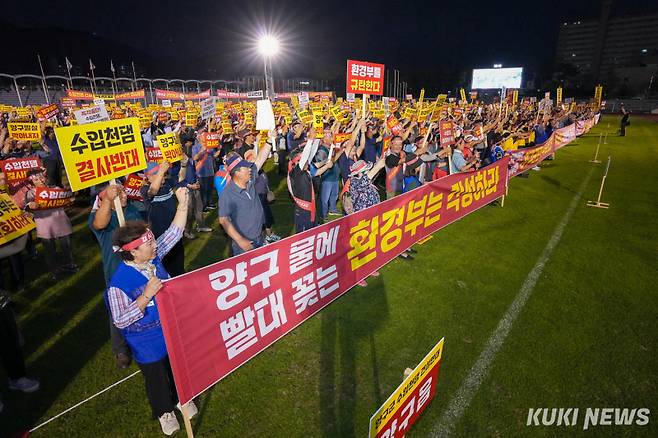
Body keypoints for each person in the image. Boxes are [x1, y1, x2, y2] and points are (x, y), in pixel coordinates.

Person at [106, 188, 197, 435]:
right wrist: (146, 296)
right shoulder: (118, 283)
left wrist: (182, 203)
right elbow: (121, 320)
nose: (155, 245)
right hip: (145, 341)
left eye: (153, 240)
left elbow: (174, 233)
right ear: (133, 251)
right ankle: (164, 412)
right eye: (149, 243)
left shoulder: (153, 259)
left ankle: (182, 398)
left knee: (176, 367)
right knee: (156, 378)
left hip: (169, 329)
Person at [89, 182, 143, 369]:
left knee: (143, 304)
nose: (125, 196)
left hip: (139, 269)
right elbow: (99, 223)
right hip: (116, 274)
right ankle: (121, 350)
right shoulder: (102, 215)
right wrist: (107, 202)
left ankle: (141, 340)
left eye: (124, 192)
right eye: (118, 194)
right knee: (118, 311)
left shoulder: (133, 211)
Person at [218, 135, 271, 256]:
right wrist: (240, 240)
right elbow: (223, 220)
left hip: (259, 236)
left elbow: (260, 160)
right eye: (245, 168)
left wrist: (268, 141)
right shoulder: (228, 194)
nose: (249, 169)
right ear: (237, 173)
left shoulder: (250, 180)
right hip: (243, 244)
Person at [23, 169, 77, 280]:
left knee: (66, 246)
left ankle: (69, 265)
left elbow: (66, 199)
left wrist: (70, 199)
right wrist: (30, 205)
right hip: (45, 225)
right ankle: (54, 270)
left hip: (61, 221)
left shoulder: (55, 189)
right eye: (36, 179)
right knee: (49, 250)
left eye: (41, 177)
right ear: (31, 182)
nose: (41, 180)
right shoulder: (31, 193)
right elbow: (27, 207)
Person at [141, 161, 185, 277]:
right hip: (161, 238)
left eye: (162, 173)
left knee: (179, 267)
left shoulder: (167, 184)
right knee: (165, 269)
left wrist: (184, 165)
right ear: (148, 177)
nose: (161, 176)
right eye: (155, 174)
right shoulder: (145, 190)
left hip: (175, 233)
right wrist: (160, 171)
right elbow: (152, 191)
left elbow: (181, 178)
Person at [348, 158, 386, 286]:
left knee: (371, 244)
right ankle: (358, 275)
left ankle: (369, 269)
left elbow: (368, 179)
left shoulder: (364, 180)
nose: (369, 171)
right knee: (360, 248)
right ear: (361, 173)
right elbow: (365, 181)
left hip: (372, 217)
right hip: (361, 221)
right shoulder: (355, 182)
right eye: (366, 170)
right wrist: (378, 167)